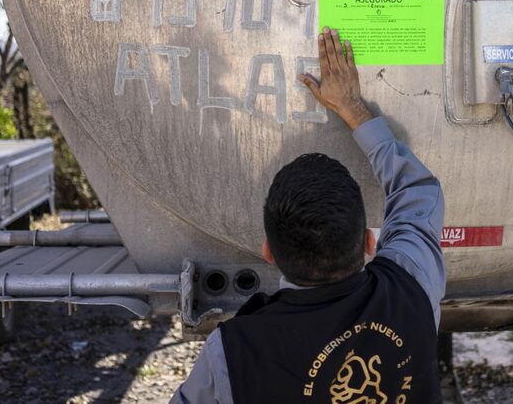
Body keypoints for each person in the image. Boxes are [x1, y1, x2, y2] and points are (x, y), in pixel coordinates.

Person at [171, 28, 445, 403]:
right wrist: (354, 109)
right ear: (368, 241)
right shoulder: (411, 287)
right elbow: (418, 191)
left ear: (269, 251)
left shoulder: (233, 351)